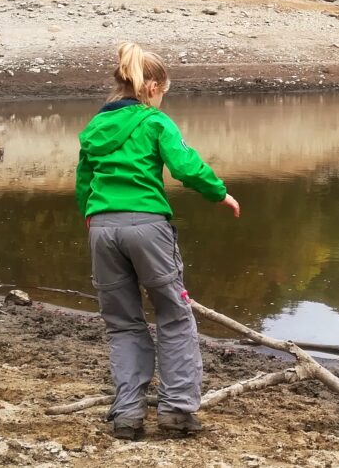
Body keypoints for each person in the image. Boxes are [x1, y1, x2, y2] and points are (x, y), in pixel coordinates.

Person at [76, 42, 240, 440]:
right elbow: (185, 166)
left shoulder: (95, 127)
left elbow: (84, 181)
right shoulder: (155, 122)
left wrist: (91, 215)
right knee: (174, 314)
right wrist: (220, 193)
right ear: (152, 87)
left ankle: (128, 416)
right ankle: (178, 411)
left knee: (123, 324)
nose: (163, 99)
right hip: (147, 226)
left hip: (102, 228)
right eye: (163, 92)